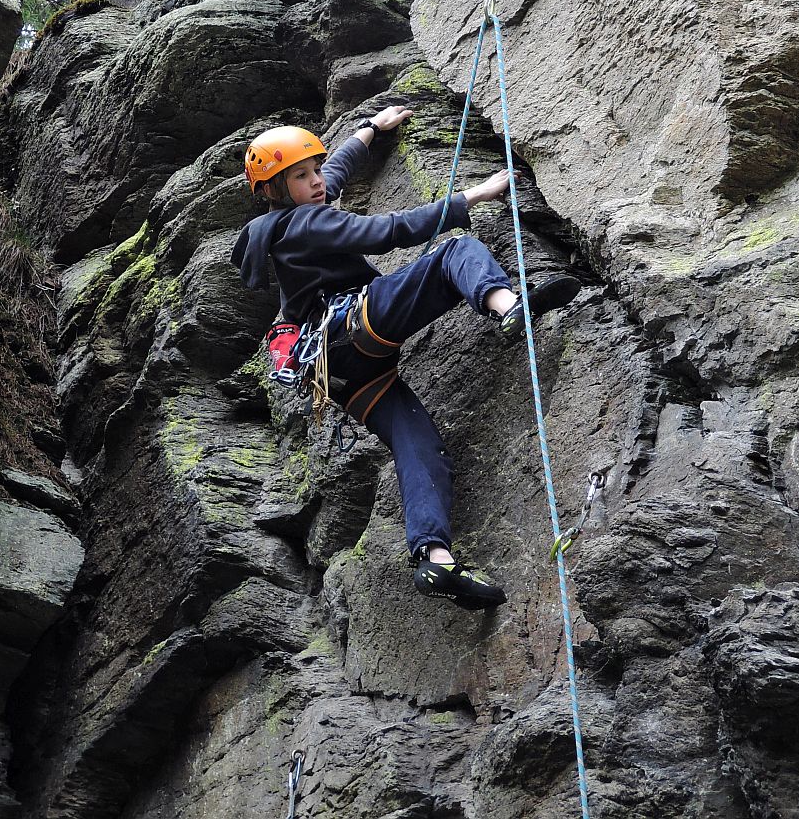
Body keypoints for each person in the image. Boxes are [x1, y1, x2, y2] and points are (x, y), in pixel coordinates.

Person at [231, 107, 579, 609]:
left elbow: (336, 172)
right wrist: (473, 196)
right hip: (351, 328)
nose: (315, 182)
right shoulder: (306, 221)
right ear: (275, 191)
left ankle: (434, 559)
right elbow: (387, 231)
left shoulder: (286, 220)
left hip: (340, 377)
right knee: (454, 253)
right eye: (300, 178)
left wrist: (370, 130)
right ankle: (508, 308)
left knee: (419, 446)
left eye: (312, 170)